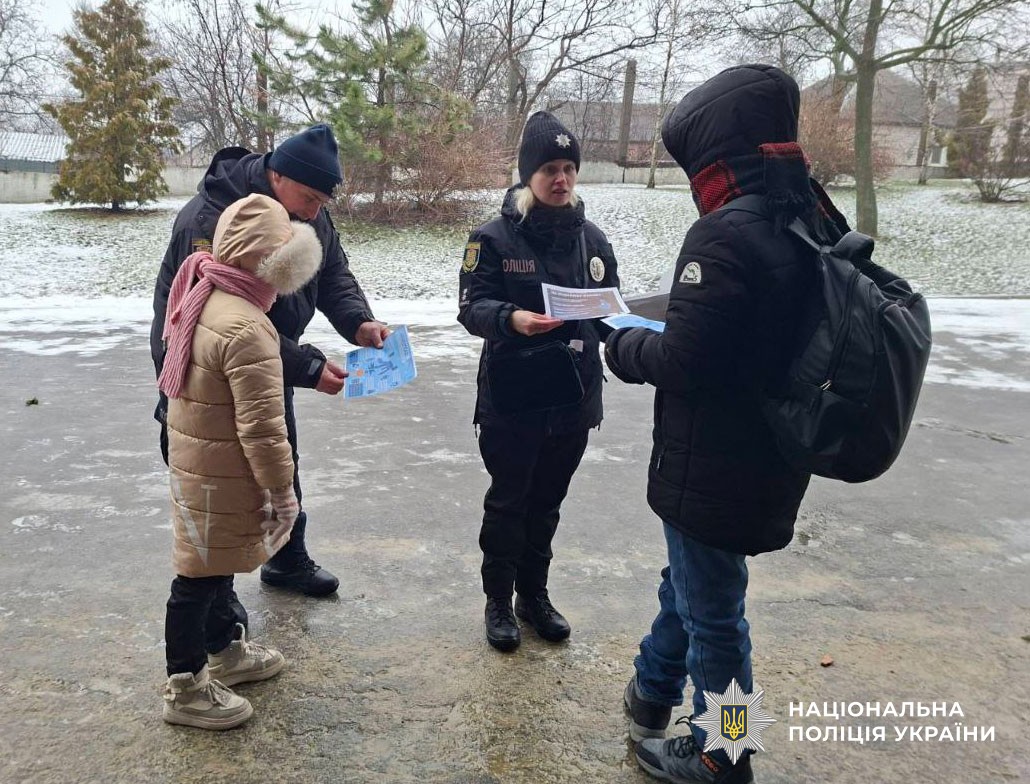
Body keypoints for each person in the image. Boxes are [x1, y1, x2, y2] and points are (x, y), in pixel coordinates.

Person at [604, 65, 851, 783]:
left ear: (715, 159)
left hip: (712, 457)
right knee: (691, 581)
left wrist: (621, 341)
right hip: (769, 452)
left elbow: (687, 362)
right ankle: (652, 694)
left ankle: (725, 753)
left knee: (716, 616)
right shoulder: (807, 216)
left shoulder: (724, 235)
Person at [151, 124, 389, 599]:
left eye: (323, 202)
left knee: (277, 455)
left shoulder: (305, 210)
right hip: (203, 372)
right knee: (218, 478)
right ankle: (215, 601)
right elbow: (222, 323)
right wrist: (306, 367)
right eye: (309, 198)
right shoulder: (214, 219)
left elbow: (333, 271)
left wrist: (359, 322)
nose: (314, 212)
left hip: (265, 360)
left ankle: (285, 559)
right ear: (277, 176)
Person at [457, 111, 621, 652]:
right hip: (514, 397)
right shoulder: (492, 238)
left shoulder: (592, 240)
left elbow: (608, 307)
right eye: (549, 167)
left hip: (575, 399)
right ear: (529, 174)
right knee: (510, 502)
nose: (561, 179)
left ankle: (535, 596)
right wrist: (513, 319)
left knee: (548, 503)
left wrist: (629, 325)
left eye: (569, 168)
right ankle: (498, 602)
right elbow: (471, 306)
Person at [159, 193, 323, 729]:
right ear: (274, 262)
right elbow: (263, 427)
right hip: (220, 471)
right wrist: (282, 490)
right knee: (198, 578)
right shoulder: (247, 326)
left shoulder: (205, 291)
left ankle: (224, 650)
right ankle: (185, 686)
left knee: (216, 565)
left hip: (202, 462)